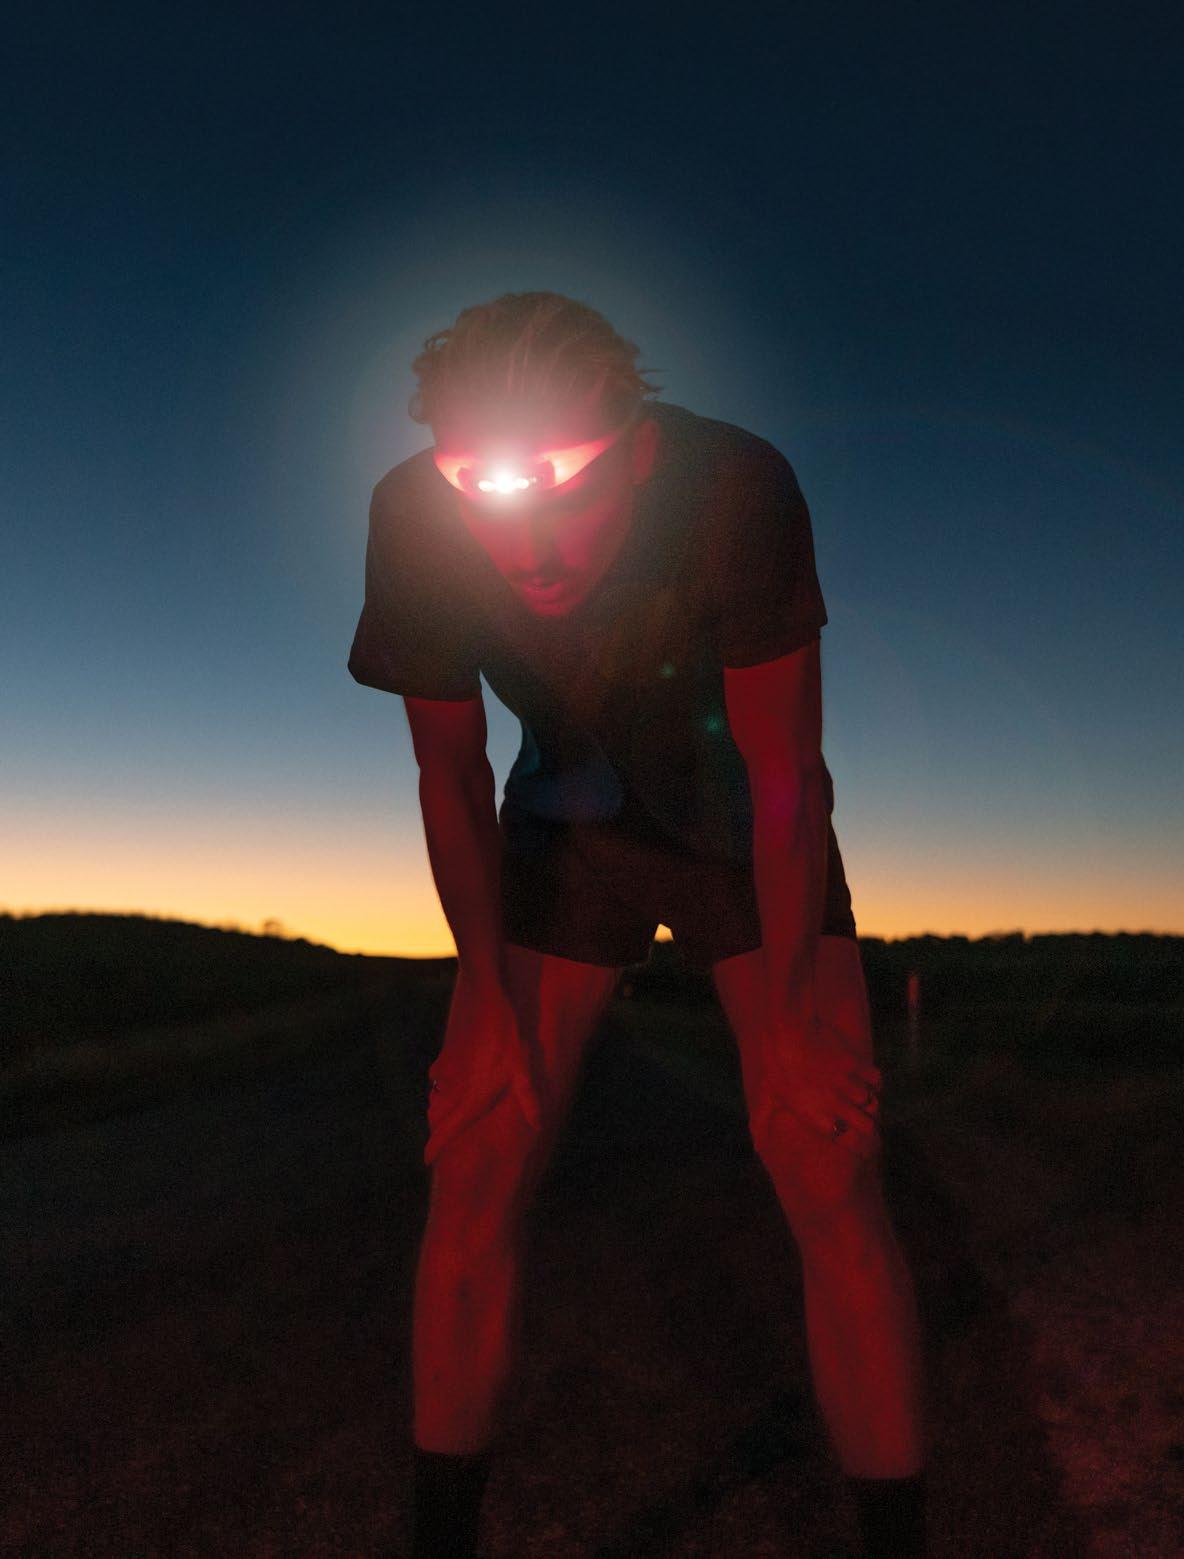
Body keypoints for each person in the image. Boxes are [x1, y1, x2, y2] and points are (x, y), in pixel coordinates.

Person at [348, 292, 927, 1558]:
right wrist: (486, 1001)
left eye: (566, 494)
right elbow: (447, 769)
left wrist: (790, 1012)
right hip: (567, 820)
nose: (530, 547)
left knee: (823, 1155)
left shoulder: (736, 485)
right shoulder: (412, 513)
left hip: (738, 824)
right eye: (486, 498)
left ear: (640, 447)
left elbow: (784, 773)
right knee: (476, 1149)